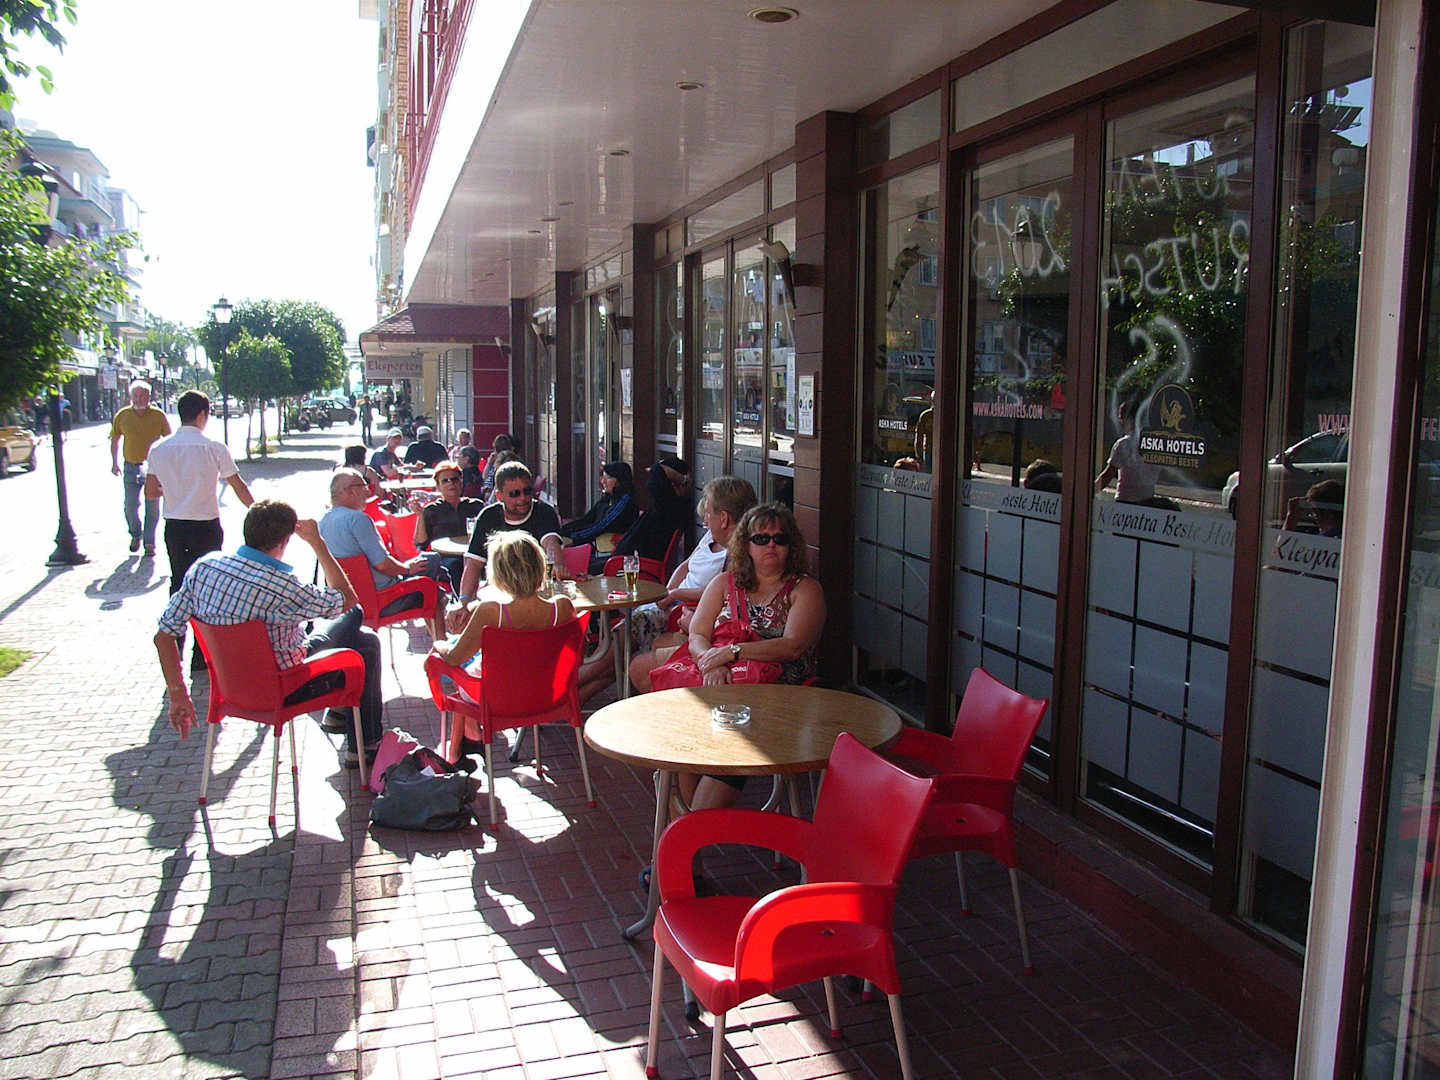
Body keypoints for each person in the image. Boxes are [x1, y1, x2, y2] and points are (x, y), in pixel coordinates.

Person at [153, 499, 384, 769]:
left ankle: (346, 723)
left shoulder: (204, 567)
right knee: (360, 628)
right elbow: (346, 598)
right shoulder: (282, 587)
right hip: (286, 687)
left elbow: (164, 636)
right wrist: (318, 543)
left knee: (363, 640)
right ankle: (363, 743)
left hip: (230, 687)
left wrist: (178, 693)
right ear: (285, 541)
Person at [674, 502, 826, 813]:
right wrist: (710, 662)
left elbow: (792, 646)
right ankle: (688, 834)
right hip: (722, 685)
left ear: (791, 546)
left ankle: (693, 829)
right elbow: (698, 634)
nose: (771, 545)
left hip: (780, 696)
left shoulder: (805, 590)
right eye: (761, 538)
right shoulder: (723, 584)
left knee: (726, 735)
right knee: (681, 741)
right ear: (746, 544)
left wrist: (731, 652)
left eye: (780, 539)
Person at [616, 475, 757, 699]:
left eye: (708, 514)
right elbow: (688, 569)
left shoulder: (740, 559)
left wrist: (679, 602)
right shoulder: (716, 545)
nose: (705, 521)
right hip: (695, 622)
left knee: (636, 660)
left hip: (708, 631)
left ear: (723, 518)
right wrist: (669, 594)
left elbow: (736, 626)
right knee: (624, 639)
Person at [145, 390, 255, 672]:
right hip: (206, 524)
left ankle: (175, 647)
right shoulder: (213, 447)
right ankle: (201, 653)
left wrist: (173, 488)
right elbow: (238, 485)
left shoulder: (159, 449)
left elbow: (150, 491)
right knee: (207, 586)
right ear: (202, 414)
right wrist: (258, 509)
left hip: (175, 525)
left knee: (179, 583)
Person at [432, 532, 576, 748]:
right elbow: (575, 655)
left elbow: (454, 658)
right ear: (540, 565)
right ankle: (461, 746)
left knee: (450, 667)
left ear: (498, 573)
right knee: (471, 667)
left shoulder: (491, 611)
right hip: (547, 694)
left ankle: (462, 746)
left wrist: (439, 644)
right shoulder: (562, 607)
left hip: (498, 700)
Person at [319, 468, 446, 636]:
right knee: (432, 567)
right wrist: (407, 569)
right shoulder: (358, 519)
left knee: (430, 570)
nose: (368, 491)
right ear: (350, 491)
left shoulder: (323, 522)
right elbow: (383, 565)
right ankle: (442, 641)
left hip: (349, 601)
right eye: (364, 485)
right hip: (382, 598)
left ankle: (441, 623)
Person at [453, 460, 566, 618]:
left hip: (537, 592)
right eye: (514, 494)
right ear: (499, 496)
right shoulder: (488, 516)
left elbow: (551, 542)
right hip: (499, 592)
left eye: (527, 491)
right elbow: (473, 563)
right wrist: (463, 601)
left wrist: (557, 565)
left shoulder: (544, 511)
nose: (523, 498)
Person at [109, 380, 171, 556]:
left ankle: (149, 543)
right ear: (130, 396)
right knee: (130, 505)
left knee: (152, 506)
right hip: (131, 466)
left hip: (153, 468)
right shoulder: (123, 415)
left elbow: (169, 440)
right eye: (135, 395)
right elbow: (115, 439)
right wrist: (114, 462)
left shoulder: (158, 416)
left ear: (149, 396)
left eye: (142, 395)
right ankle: (136, 533)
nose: (139, 398)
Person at [411, 461, 484, 589]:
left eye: (455, 479)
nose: (451, 483)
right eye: (445, 481)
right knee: (456, 566)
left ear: (461, 482)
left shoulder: (476, 506)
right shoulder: (432, 510)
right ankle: (463, 600)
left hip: (474, 554)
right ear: (438, 486)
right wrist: (420, 516)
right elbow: (420, 542)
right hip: (445, 558)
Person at [611, 456, 691, 563]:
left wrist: (680, 478)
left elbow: (655, 479)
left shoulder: (668, 507)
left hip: (634, 564)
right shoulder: (665, 506)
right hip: (628, 559)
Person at [560, 461, 640, 561]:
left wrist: (573, 538)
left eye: (608, 478)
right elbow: (587, 519)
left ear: (620, 480)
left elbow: (600, 526)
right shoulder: (608, 498)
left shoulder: (625, 502)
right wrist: (562, 531)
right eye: (602, 477)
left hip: (614, 555)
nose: (603, 481)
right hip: (597, 550)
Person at [1095, 399, 1161, 504]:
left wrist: (1090, 491)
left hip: (1125, 501)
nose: (1120, 422)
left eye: (1121, 418)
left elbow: (1108, 475)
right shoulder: (1152, 444)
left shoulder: (1123, 444)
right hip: (1148, 502)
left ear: (1128, 419)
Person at [479, 434, 515, 498]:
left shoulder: (509, 459)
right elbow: (484, 477)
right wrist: (490, 462)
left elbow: (485, 476)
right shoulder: (493, 459)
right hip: (488, 490)